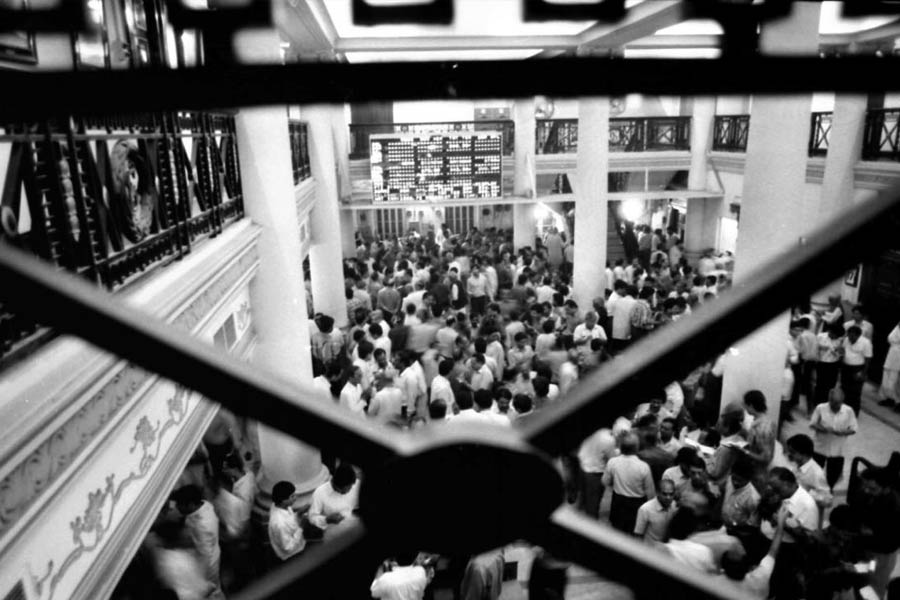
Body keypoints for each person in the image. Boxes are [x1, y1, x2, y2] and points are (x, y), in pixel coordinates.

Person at [715, 508, 788, 599]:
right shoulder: (759, 578)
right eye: (740, 549)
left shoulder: (714, 583)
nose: (738, 545)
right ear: (750, 567)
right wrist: (781, 523)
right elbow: (773, 551)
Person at [172, 485, 224, 598]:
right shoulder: (205, 505)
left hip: (208, 563)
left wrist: (201, 577)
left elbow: (205, 554)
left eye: (179, 504)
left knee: (212, 591)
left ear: (190, 505)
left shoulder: (201, 526)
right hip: (212, 551)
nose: (176, 507)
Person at [603, 432, 656, 534]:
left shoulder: (613, 462)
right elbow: (651, 493)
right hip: (636, 505)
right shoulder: (643, 466)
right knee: (632, 533)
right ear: (637, 448)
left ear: (621, 447)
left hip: (618, 502)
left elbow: (605, 481)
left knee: (617, 532)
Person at [809, 386, 858, 492]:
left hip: (837, 450)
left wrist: (842, 432)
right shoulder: (820, 408)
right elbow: (812, 424)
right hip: (820, 447)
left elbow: (853, 429)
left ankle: (829, 490)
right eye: (834, 403)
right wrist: (823, 429)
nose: (836, 406)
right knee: (815, 471)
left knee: (833, 476)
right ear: (829, 400)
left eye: (838, 403)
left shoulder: (848, 411)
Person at [785, 434, 833, 513]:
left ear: (803, 453)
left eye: (792, 452)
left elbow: (828, 501)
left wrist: (808, 493)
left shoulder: (816, 473)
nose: (789, 454)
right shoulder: (795, 465)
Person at [577, 427, 617, 519]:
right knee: (593, 504)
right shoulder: (609, 439)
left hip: (582, 467)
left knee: (583, 499)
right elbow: (612, 459)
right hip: (596, 473)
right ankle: (589, 527)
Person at [740, 390, 776, 491]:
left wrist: (745, 452)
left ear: (751, 406)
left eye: (746, 405)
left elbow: (765, 457)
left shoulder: (761, 428)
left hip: (757, 473)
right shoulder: (767, 421)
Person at [308, 463, 359, 530]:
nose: (348, 491)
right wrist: (326, 520)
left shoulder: (356, 485)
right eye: (343, 490)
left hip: (353, 525)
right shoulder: (320, 493)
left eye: (350, 487)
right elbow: (312, 517)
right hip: (332, 531)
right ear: (334, 484)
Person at [268, 481, 305, 560]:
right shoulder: (280, 523)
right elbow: (288, 548)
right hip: (292, 556)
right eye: (292, 496)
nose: (296, 498)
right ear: (283, 500)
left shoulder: (279, 505)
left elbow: (289, 521)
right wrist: (301, 527)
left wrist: (298, 514)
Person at [841, 324, 873, 416]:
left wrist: (863, 373)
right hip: (846, 367)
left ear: (858, 335)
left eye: (852, 336)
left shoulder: (866, 342)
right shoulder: (846, 339)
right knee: (844, 389)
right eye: (849, 335)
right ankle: (844, 410)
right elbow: (843, 350)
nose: (850, 338)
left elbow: (868, 359)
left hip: (858, 368)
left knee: (855, 392)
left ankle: (854, 412)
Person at [634, 479, 677, 543]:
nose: (668, 497)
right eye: (664, 494)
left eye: (671, 494)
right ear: (657, 493)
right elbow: (638, 535)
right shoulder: (645, 509)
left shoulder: (674, 505)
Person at [877, 319, 900, 411]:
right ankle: (888, 398)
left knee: (897, 380)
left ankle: (898, 401)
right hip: (892, 355)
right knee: (887, 378)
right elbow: (890, 338)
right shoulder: (897, 327)